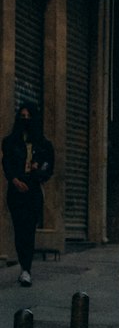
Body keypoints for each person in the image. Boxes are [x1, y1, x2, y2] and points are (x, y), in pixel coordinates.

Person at [2, 102, 55, 287]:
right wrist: (15, 181)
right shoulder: (10, 142)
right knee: (19, 229)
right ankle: (24, 266)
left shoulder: (43, 145)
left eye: (28, 116)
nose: (25, 120)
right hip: (16, 191)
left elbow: (49, 168)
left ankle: (26, 269)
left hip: (33, 191)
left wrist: (37, 170)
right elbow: (7, 165)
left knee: (29, 230)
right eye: (22, 116)